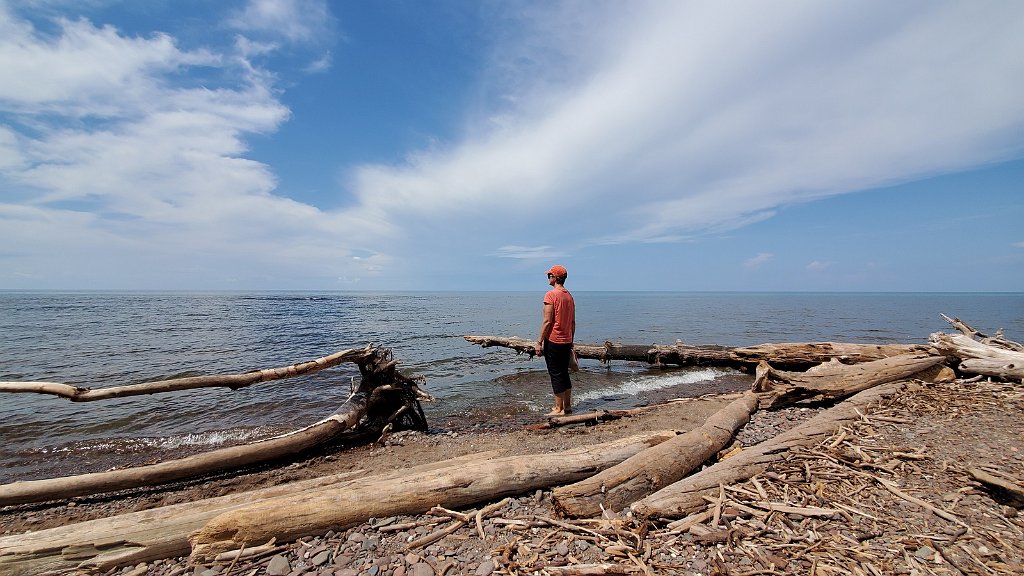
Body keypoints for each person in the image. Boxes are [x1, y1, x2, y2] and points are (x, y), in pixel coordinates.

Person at [535, 264, 576, 416]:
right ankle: (568, 406)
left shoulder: (550, 295)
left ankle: (559, 409)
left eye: (549, 275)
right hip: (566, 340)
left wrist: (539, 342)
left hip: (554, 340)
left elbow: (547, 321)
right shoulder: (569, 296)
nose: (548, 278)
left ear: (555, 278)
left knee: (556, 374)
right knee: (564, 373)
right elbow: (572, 322)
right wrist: (571, 341)